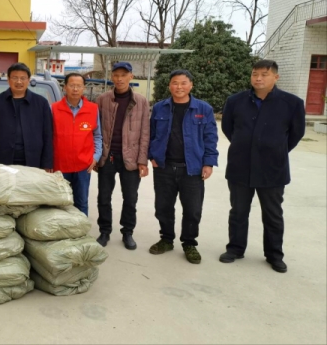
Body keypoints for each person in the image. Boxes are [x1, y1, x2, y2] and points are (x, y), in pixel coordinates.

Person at [220, 59, 305, 273]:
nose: (258, 78)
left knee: (273, 214)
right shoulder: (235, 101)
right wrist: (245, 146)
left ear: (275, 77)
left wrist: (276, 149)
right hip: (240, 166)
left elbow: (296, 134)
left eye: (264, 74)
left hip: (272, 169)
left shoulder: (292, 103)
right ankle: (235, 248)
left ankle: (274, 255)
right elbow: (229, 128)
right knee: (238, 212)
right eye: (254, 74)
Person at [148, 70, 219, 264]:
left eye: (183, 83)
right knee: (163, 207)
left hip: (192, 168)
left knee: (192, 209)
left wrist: (209, 162)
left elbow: (210, 138)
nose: (179, 87)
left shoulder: (203, 109)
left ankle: (189, 243)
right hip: (164, 167)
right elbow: (151, 134)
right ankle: (166, 239)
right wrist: (151, 156)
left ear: (191, 85)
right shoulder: (160, 108)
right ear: (169, 85)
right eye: (175, 83)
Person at [95, 61, 150, 250]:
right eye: (116, 75)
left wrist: (142, 160)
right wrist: (96, 156)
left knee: (130, 198)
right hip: (107, 157)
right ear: (112, 77)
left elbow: (145, 132)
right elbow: (95, 130)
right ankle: (104, 231)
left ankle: (127, 232)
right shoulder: (102, 99)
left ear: (131, 77)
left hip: (131, 158)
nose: (119, 79)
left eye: (124, 75)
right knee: (103, 197)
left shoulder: (141, 101)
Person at [0, 62, 53, 170]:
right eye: (15, 78)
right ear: (8, 80)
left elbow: (47, 135)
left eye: (23, 78)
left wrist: (47, 164)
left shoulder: (41, 103)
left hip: (33, 162)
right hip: (2, 162)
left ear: (28, 80)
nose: (19, 81)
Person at [51, 73, 102, 216]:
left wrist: (96, 157)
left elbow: (97, 136)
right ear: (65, 87)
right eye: (72, 85)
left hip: (83, 166)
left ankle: (81, 229)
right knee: (60, 203)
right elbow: (47, 137)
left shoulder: (93, 109)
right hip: (59, 166)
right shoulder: (54, 109)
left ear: (84, 88)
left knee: (81, 202)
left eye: (79, 86)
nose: (75, 89)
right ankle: (61, 229)